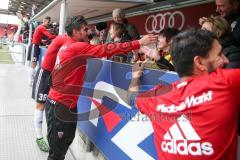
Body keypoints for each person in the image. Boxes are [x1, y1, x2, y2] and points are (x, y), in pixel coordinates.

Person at [45, 15, 157, 160]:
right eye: (85, 30)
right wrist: (138, 43)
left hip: (67, 105)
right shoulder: (75, 47)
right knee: (56, 153)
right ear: (76, 31)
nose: (88, 32)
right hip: (59, 107)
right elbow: (107, 49)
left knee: (65, 143)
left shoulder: (70, 44)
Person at [128, 28, 240, 160]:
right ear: (199, 63)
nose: (226, 60)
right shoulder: (225, 83)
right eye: (220, 55)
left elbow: (132, 99)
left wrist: (135, 76)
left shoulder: (158, 95)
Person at [31, 34, 69, 152]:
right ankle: (39, 137)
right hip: (45, 74)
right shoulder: (64, 38)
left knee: (52, 106)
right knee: (40, 105)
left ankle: (50, 134)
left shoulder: (70, 40)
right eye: (83, 30)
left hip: (56, 76)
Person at [27, 16, 56, 86]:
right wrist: (59, 36)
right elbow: (50, 36)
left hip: (36, 46)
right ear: (44, 20)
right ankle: (30, 81)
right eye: (48, 22)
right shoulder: (41, 27)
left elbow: (39, 38)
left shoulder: (41, 27)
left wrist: (43, 43)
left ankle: (32, 80)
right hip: (34, 46)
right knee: (33, 64)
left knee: (35, 64)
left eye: (49, 23)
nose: (48, 24)